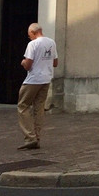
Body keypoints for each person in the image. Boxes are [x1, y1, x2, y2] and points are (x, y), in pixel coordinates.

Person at [17, 22, 58, 150]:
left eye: (30, 35)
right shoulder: (51, 42)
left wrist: (23, 62)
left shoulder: (32, 44)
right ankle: (37, 137)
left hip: (33, 79)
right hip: (46, 79)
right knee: (39, 108)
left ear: (34, 33)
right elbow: (55, 62)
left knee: (22, 106)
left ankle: (30, 137)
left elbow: (28, 65)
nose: (29, 38)